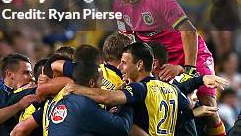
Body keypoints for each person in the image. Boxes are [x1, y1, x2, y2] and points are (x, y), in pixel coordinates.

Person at [109, 0, 226, 136]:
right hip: (158, 60)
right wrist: (125, 70)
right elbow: (128, 41)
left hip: (191, 55)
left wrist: (187, 70)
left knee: (209, 106)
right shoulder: (118, 5)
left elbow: (189, 31)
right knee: (160, 107)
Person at [64, 42, 225, 135]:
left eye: (125, 62)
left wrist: (76, 88)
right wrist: (199, 85)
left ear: (139, 65)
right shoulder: (172, 90)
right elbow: (180, 115)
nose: (120, 67)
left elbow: (108, 98)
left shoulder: (139, 88)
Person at [11, 62, 134, 136]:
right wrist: (128, 97)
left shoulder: (55, 101)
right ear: (91, 83)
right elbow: (122, 127)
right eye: (101, 81)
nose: (102, 85)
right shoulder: (82, 104)